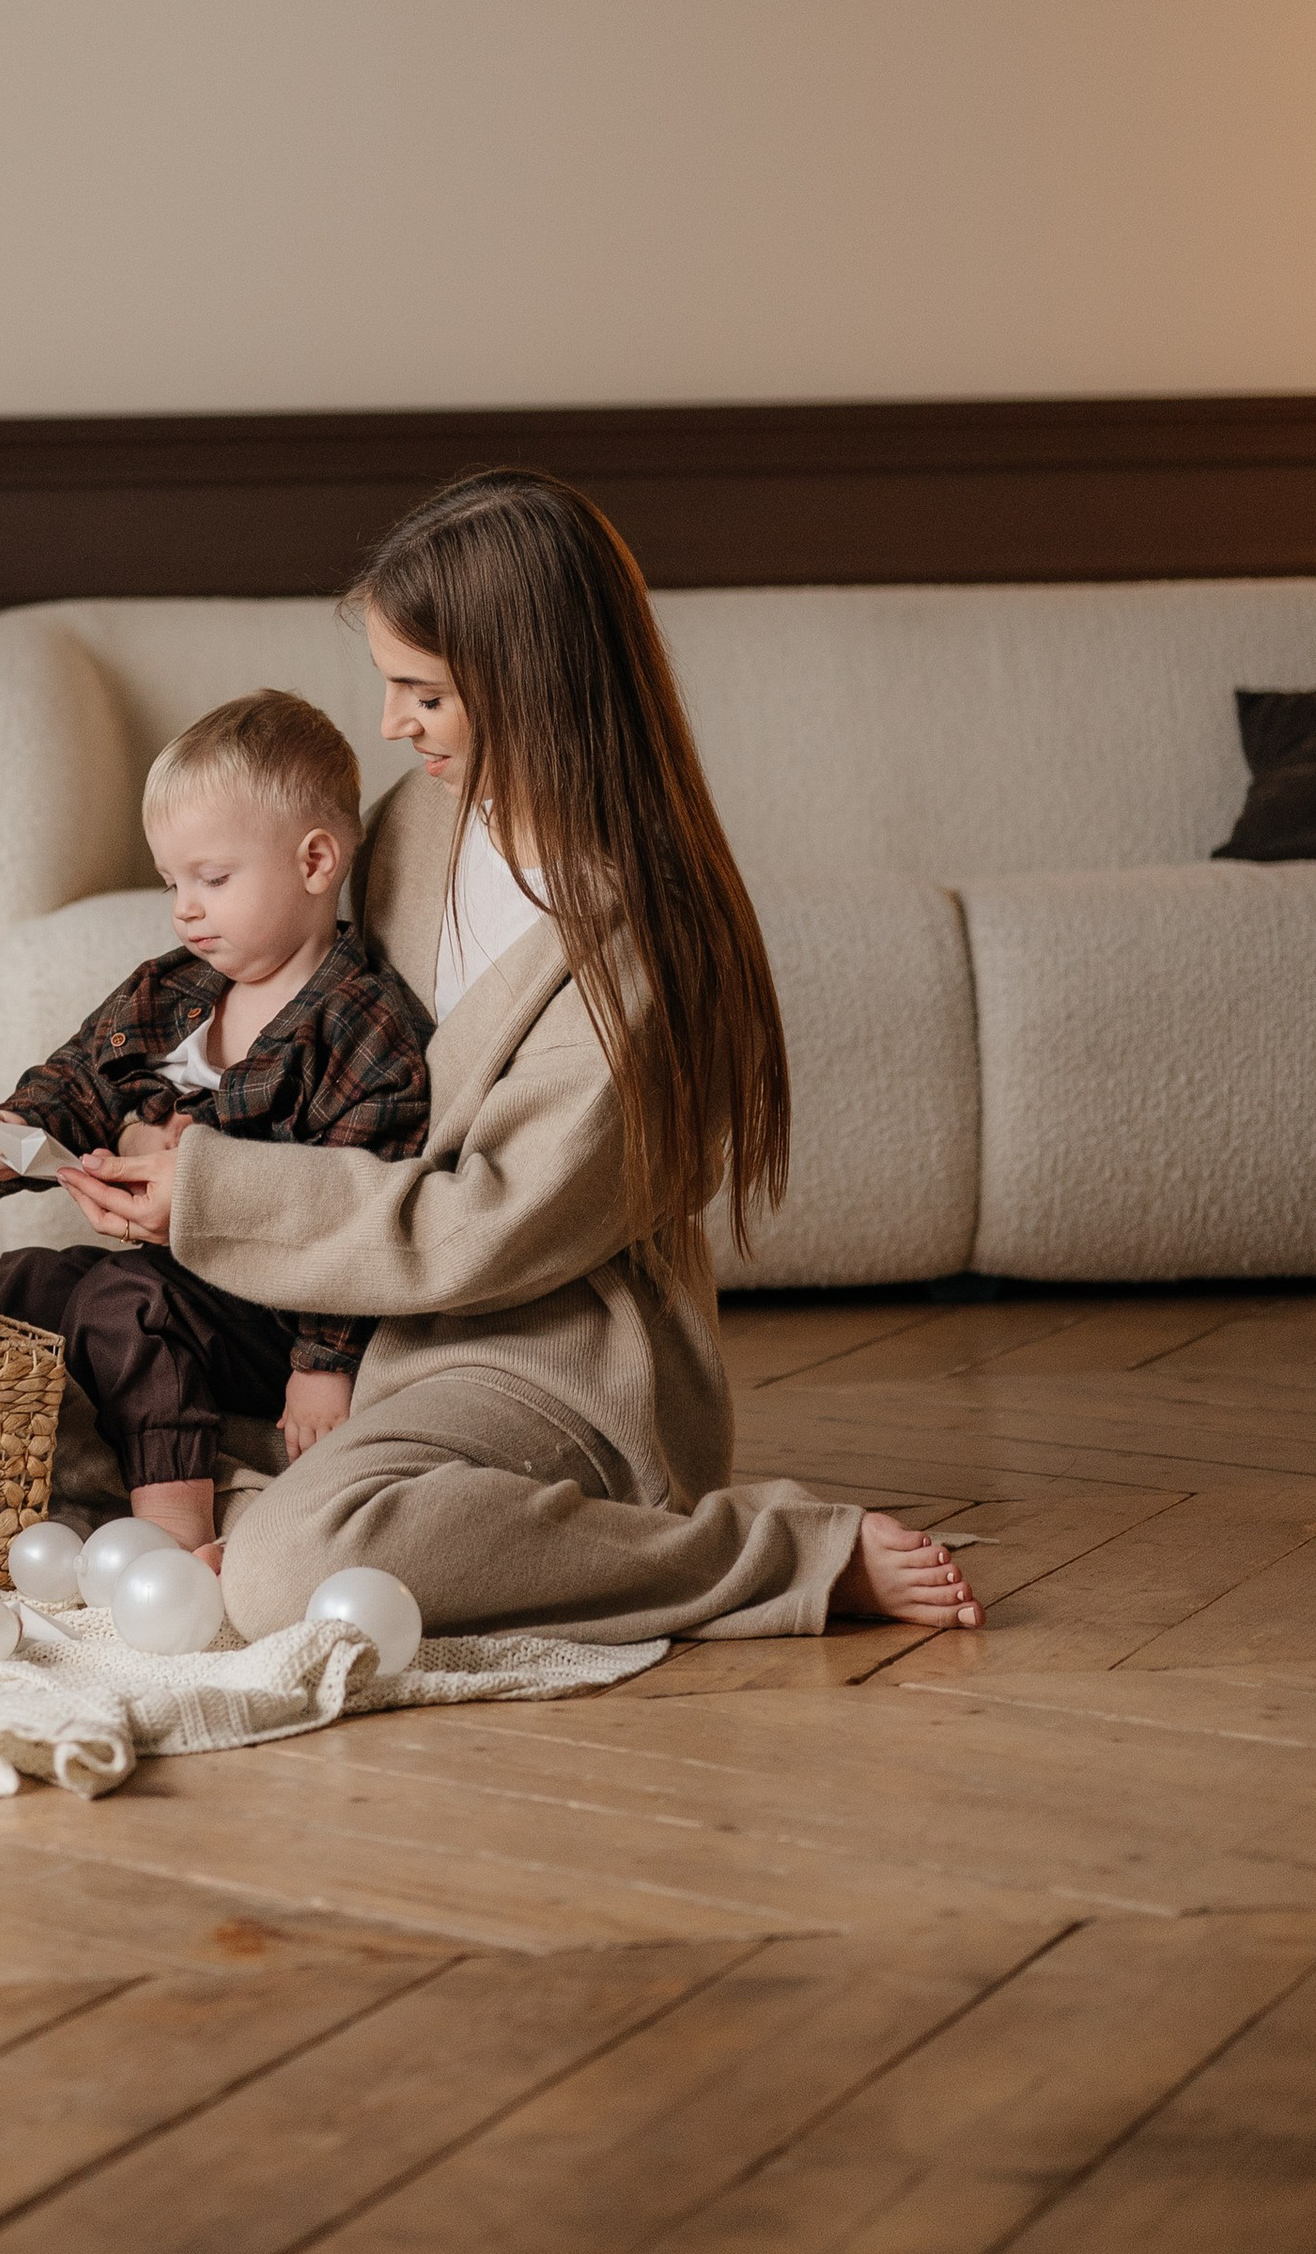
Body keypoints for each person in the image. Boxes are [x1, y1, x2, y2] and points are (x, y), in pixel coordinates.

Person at [53, 472, 986, 1648]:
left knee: (296, 1568)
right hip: (366, 1329)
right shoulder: (415, 825)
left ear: (528, 681)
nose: (389, 722)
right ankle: (412, 1515)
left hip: (549, 1349)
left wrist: (215, 1187)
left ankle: (776, 1554)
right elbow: (309, 1029)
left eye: (423, 692)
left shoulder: (632, 940)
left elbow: (487, 1227)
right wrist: (157, 1122)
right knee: (77, 1417)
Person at [0, 691, 431, 1562]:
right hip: (181, 1284)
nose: (184, 907)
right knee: (19, 1282)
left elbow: (361, 1209)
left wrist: (324, 1363)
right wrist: (17, 1127)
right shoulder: (174, 988)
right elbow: (82, 1074)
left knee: (125, 1301)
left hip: (282, 1313)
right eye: (172, 881)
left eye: (212, 880)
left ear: (315, 861)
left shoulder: (360, 1025)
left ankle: (176, 1537)